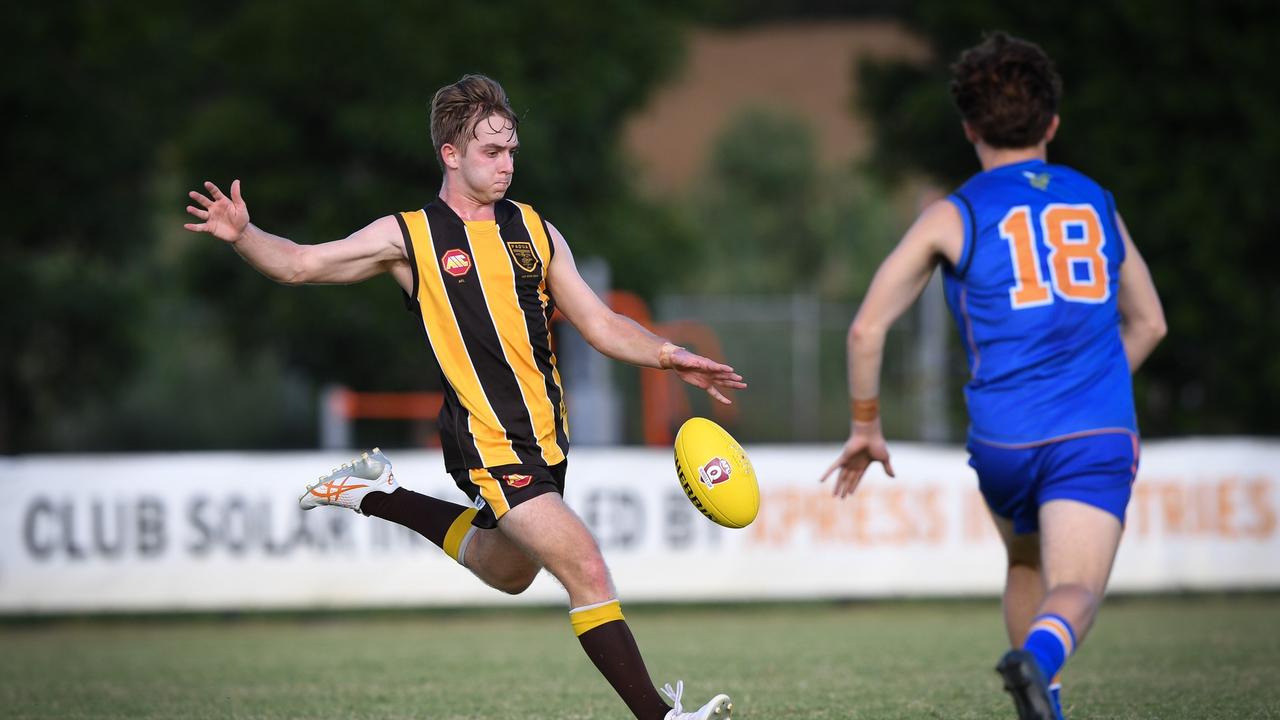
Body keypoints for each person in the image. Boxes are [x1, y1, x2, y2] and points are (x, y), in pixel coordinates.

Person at [185, 74, 743, 720]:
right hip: (489, 442)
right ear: (450, 153)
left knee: (507, 572)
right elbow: (302, 264)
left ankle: (375, 492)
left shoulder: (534, 230)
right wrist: (246, 236)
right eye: (491, 152)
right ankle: (663, 718)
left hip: (547, 441)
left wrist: (671, 356)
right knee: (586, 567)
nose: (507, 165)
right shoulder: (411, 237)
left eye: (511, 152)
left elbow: (600, 324)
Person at [820, 32, 1166, 720]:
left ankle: (1044, 708)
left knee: (1027, 566)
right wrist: (1091, 382)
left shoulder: (954, 213)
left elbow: (867, 328)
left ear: (969, 127)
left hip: (1003, 440)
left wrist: (866, 427)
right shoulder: (1095, 201)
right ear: (1054, 123)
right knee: (1076, 592)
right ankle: (1035, 663)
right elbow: (1150, 322)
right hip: (1089, 431)